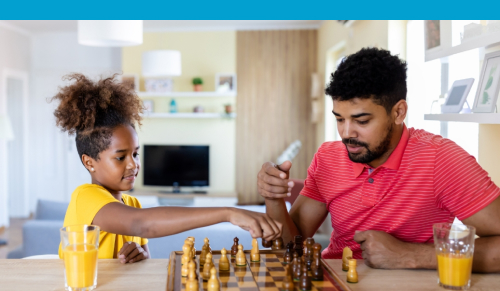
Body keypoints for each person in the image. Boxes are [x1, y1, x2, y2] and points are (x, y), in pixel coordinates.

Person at [257, 48, 500, 273]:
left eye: (361, 121)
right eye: (339, 119)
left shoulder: (442, 159)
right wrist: (273, 198)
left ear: (398, 112)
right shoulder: (328, 157)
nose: (346, 133)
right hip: (338, 287)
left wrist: (411, 255)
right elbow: (289, 247)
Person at [54, 73, 282, 263]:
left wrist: (141, 255)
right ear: (89, 162)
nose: (133, 164)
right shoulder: (86, 196)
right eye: (120, 157)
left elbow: (145, 253)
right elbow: (141, 224)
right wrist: (228, 212)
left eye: (135, 153)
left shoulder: (132, 204)